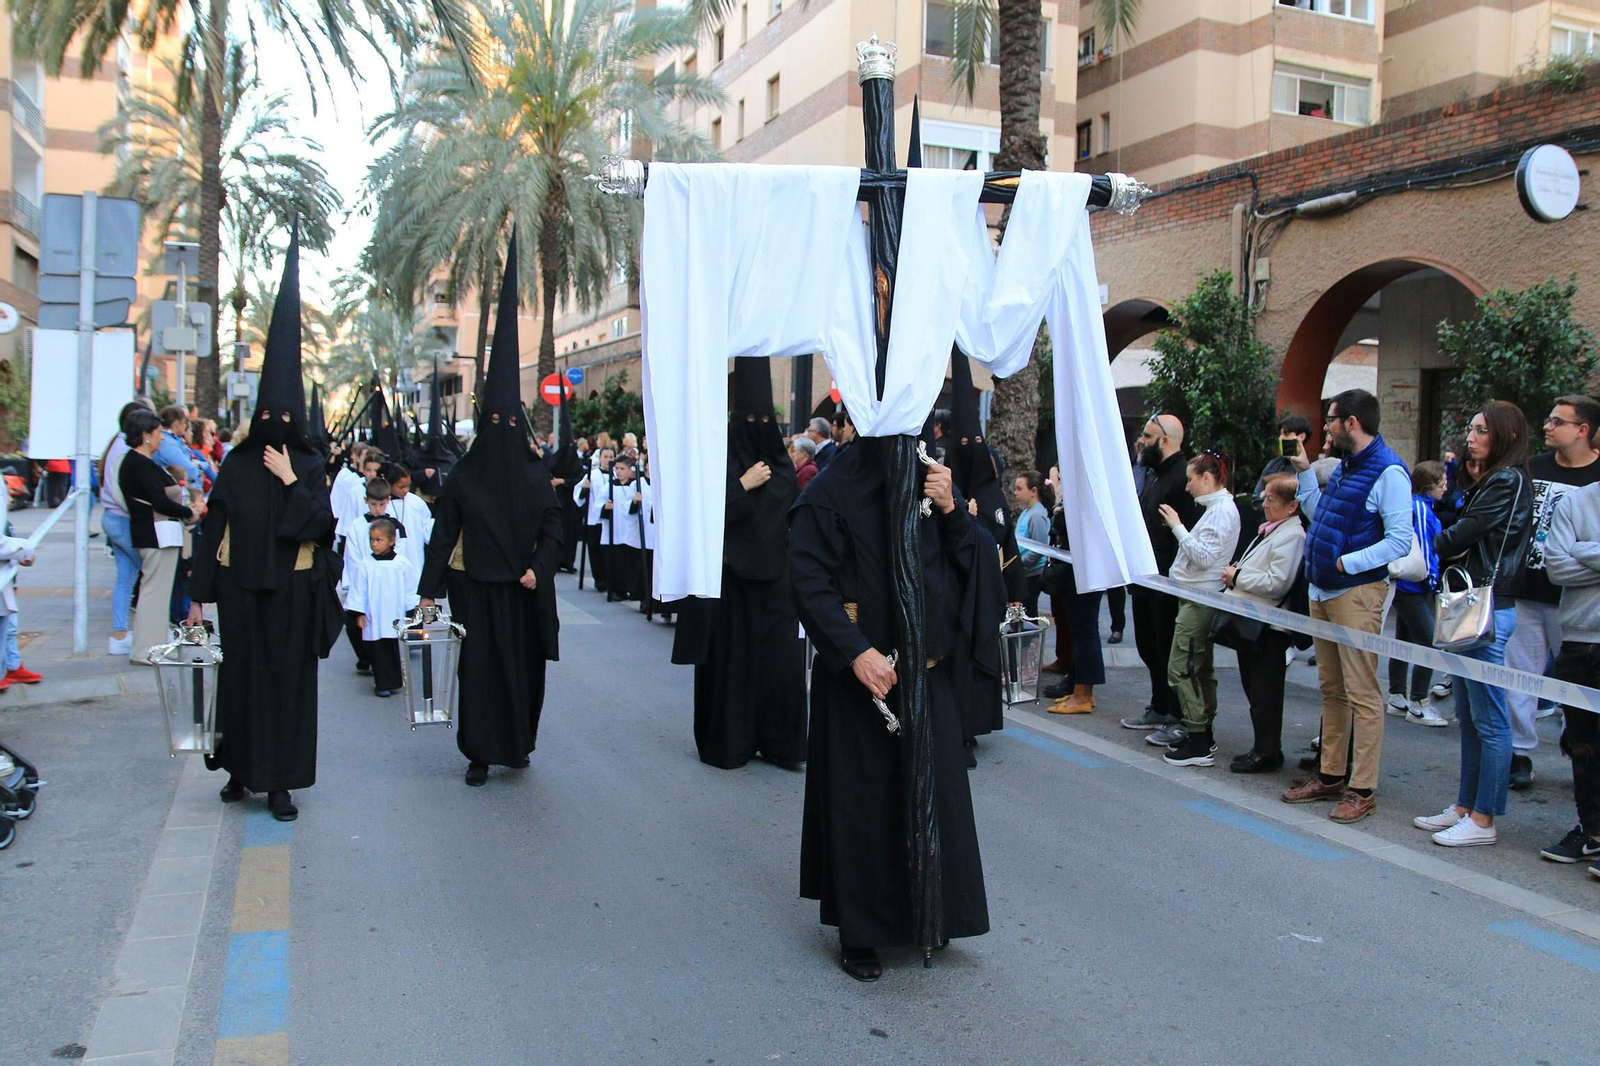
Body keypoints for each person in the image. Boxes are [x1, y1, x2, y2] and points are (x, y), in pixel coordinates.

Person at [789, 433, 988, 980]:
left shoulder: (936, 481)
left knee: (936, 803)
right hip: (865, 684)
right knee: (864, 810)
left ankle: (932, 911)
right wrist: (855, 652)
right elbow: (808, 581)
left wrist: (951, 512)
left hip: (931, 679)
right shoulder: (829, 493)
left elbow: (975, 564)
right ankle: (862, 931)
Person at [186, 231, 341, 823]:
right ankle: (240, 771)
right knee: (242, 682)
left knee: (286, 687)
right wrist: (200, 599)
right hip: (241, 592)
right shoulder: (236, 463)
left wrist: (289, 481)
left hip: (293, 595)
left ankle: (280, 783)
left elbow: (319, 527)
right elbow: (213, 527)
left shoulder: (303, 464)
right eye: (267, 416)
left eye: (285, 415)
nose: (276, 425)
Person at [417, 239, 564, 788]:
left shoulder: (532, 476)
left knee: (523, 673)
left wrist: (540, 569)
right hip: (476, 588)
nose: (503, 434)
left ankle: (518, 745)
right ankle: (479, 752)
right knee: (479, 673)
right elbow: (442, 533)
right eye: (496, 423)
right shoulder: (465, 477)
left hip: (524, 590)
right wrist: (428, 591)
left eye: (511, 424)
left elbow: (554, 529)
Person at [1281, 389, 1412, 824]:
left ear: (1352, 422)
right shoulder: (1346, 467)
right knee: (1333, 689)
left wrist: (1346, 562)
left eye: (1333, 419)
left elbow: (1399, 541)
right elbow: (1321, 515)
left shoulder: (1389, 472)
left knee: (1362, 694)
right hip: (1325, 591)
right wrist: (1303, 475)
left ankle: (1362, 788)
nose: (1328, 427)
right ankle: (1332, 775)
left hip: (1355, 593)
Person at [672, 358, 807, 770]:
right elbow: (698, 514)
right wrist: (742, 486)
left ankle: (780, 742)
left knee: (778, 666)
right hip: (728, 582)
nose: (756, 424)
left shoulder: (784, 469)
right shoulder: (719, 461)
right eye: (748, 418)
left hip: (776, 587)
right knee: (731, 663)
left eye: (764, 418)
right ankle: (730, 741)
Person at [1412, 401, 1534, 847]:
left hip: (1486, 605)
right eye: (1472, 428)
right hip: (1471, 603)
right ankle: (1465, 805)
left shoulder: (1507, 480)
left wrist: (1424, 543)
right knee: (1470, 715)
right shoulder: (1493, 478)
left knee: (1489, 718)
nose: (1471, 435)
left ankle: (1483, 819)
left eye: (1481, 430)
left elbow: (1467, 531)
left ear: (1503, 435)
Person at [1504, 395, 1600, 790]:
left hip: (1577, 604)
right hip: (1526, 591)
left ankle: (1578, 747)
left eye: (1558, 421)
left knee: (1576, 684)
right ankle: (1519, 752)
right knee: (1518, 677)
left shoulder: (1597, 482)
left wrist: (1573, 557)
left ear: (1583, 430)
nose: (1547, 425)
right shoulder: (1529, 469)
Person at [1154, 451, 1242, 764]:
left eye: (1191, 479)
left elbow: (1203, 557)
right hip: (1197, 596)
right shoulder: (1217, 509)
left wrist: (1178, 527)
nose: (1188, 486)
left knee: (1182, 668)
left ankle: (1199, 736)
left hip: (1199, 599)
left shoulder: (1221, 512)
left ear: (1207, 478)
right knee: (1199, 668)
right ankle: (1201, 733)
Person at [1219, 474, 1306, 772]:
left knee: (1265, 693)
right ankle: (1262, 747)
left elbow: (1278, 582)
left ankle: (1267, 752)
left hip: (1269, 627)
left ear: (1292, 505)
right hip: (1254, 620)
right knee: (1254, 689)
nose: (1265, 504)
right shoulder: (1272, 531)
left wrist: (1238, 576)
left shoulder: (1292, 535)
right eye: (1265, 498)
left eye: (1272, 499)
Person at [1121, 415, 1203, 732]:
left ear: (1165, 441)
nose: (1142, 440)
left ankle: (1176, 713)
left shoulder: (1182, 477)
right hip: (1146, 576)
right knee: (1148, 645)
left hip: (1168, 580)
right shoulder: (1156, 475)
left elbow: (1186, 533)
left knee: (1169, 648)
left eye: (1148, 435)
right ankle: (1159, 705)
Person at [1539, 478, 1600, 872]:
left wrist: (1582, 549)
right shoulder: (1578, 500)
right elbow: (1555, 566)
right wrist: (1572, 553)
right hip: (1578, 639)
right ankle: (1592, 832)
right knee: (1582, 743)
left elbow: (1568, 558)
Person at [118, 408, 200, 665]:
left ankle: (151, 646)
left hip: (158, 533)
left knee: (156, 592)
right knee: (154, 592)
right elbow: (160, 501)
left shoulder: (140, 462)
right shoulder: (138, 463)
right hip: (156, 534)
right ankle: (145, 649)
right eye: (157, 433)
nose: (161, 438)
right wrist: (189, 511)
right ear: (145, 435)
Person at [1387, 461, 1448, 728]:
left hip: (1404, 585)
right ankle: (1419, 702)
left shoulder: (1416, 505)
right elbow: (1424, 548)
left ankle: (1397, 695)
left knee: (1404, 639)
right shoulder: (1421, 509)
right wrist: (1432, 581)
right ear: (1428, 485)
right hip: (1414, 585)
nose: (1446, 487)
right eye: (1441, 482)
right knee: (1428, 643)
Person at [346, 516, 419, 698]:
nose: (374, 544)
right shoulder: (366, 564)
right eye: (371, 540)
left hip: (395, 615)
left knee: (393, 648)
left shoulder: (402, 564)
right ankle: (382, 683)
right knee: (378, 649)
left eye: (379, 540)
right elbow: (359, 590)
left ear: (392, 540)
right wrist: (359, 612)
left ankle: (394, 680)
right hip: (374, 616)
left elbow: (410, 588)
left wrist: (411, 611)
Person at [101, 401, 152, 655]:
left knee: (126, 577)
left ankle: (120, 634)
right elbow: (122, 490)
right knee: (152, 572)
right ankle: (148, 631)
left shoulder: (115, 444)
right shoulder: (125, 449)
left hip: (113, 517)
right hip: (122, 519)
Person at [603, 454, 644, 602]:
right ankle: (616, 589)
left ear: (629, 470)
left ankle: (629, 588)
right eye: (616, 469)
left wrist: (634, 503)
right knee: (614, 561)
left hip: (629, 532)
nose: (618, 472)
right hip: (614, 531)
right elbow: (597, 506)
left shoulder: (635, 486)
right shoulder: (609, 487)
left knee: (628, 562)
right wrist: (605, 507)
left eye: (622, 469)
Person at [1012, 470, 1051, 616]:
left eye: (1019, 489)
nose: (1015, 492)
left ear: (1033, 491)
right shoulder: (1026, 512)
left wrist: (1018, 564)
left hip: (1032, 573)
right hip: (1024, 571)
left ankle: (1032, 639)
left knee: (1028, 613)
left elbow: (1039, 548)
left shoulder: (1037, 515)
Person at [383, 463, 434, 576]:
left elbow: (428, 530)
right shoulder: (382, 505)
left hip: (414, 560)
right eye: (401, 487)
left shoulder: (417, 503)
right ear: (389, 484)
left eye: (408, 486)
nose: (406, 490)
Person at [576, 446, 615, 592]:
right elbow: (578, 494)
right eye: (605, 457)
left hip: (610, 520)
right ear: (600, 458)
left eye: (611, 457)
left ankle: (610, 578)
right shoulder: (592, 475)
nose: (608, 460)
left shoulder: (617, 474)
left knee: (608, 551)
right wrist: (584, 489)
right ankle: (599, 579)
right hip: (594, 518)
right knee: (595, 549)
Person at [1252, 415, 1313, 503]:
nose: (1280, 438)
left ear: (1301, 437)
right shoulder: (1273, 464)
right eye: (1280, 434)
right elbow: (1256, 499)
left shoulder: (1310, 470)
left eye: (1286, 434)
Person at [155, 405, 203, 488]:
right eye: (184, 422)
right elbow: (189, 470)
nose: (185, 425)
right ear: (176, 424)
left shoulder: (172, 440)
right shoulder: (167, 443)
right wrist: (198, 466)